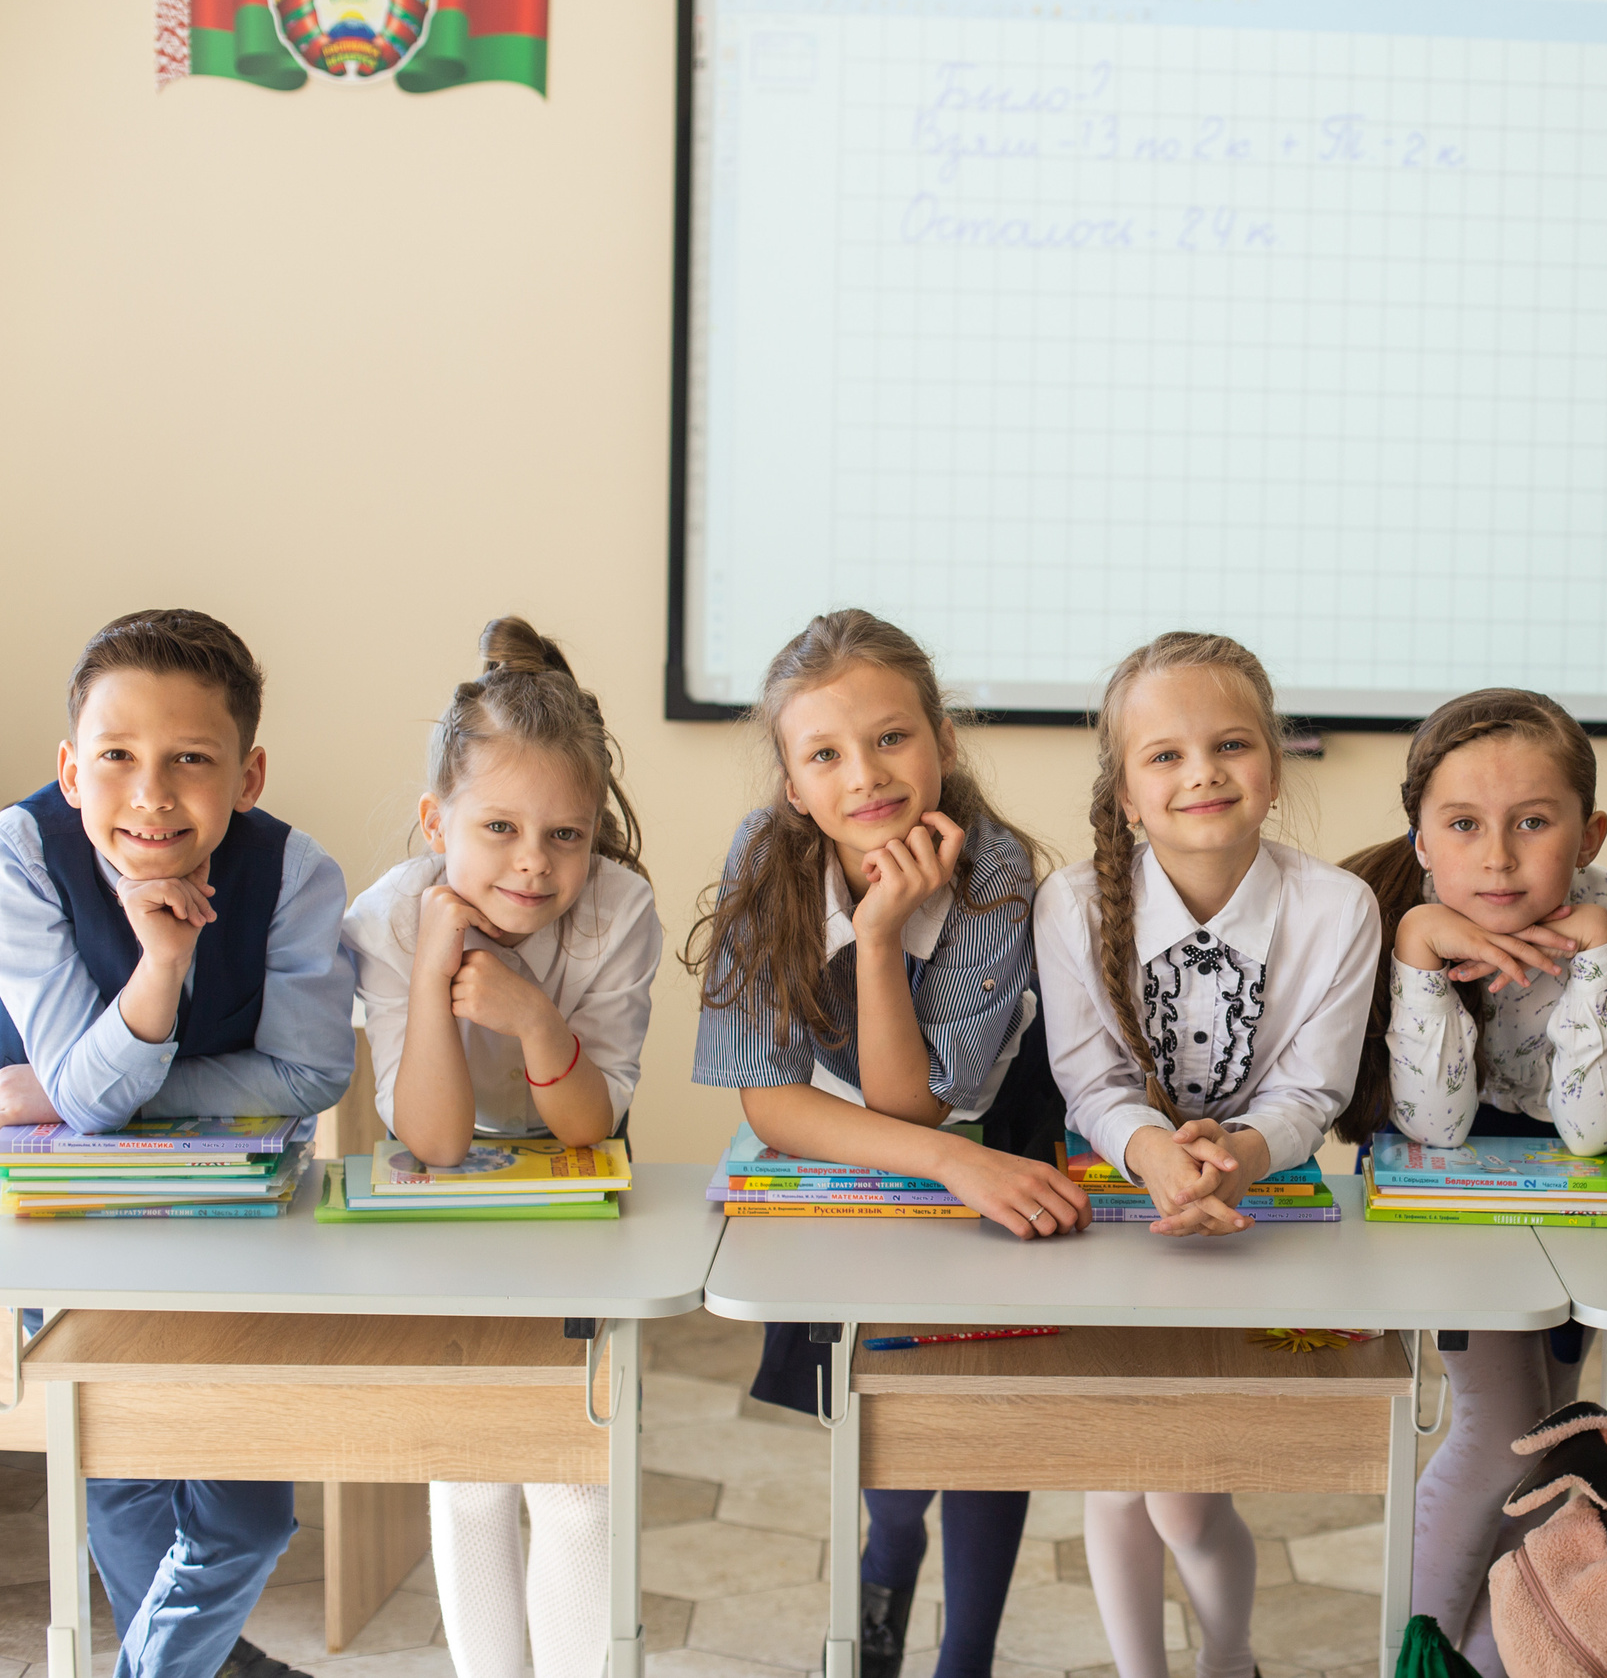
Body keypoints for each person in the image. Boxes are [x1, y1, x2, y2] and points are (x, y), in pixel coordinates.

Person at [685, 608, 1087, 1678]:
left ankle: (966, 1657)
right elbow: (771, 1103)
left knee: (988, 1414)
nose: (864, 775)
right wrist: (871, 932)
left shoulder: (997, 869)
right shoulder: (762, 859)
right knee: (893, 1419)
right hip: (843, 1144)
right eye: (824, 753)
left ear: (943, 741)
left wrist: (880, 939)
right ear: (791, 782)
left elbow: (924, 1103)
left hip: (988, 1127)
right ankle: (890, 1543)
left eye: (892, 737)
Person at [0, 609, 355, 1678]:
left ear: (246, 774)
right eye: (116, 757)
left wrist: (71, 1089)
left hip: (226, 1224)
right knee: (125, 1477)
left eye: (189, 759)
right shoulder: (21, 853)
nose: (150, 792)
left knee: (247, 1516)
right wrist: (159, 968)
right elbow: (97, 1102)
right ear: (70, 768)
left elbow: (309, 1075)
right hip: (57, 1228)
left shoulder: (295, 872)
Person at [1034, 631, 1379, 1678]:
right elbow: (1090, 1081)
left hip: (1254, 1220)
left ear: (1272, 767)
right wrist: (1155, 1155)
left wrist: (1233, 1152)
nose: (1202, 773)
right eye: (1165, 755)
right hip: (1121, 1209)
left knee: (1185, 1486)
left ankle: (1228, 1654)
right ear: (1126, 794)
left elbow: (1309, 1093)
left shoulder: (1337, 909)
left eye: (1230, 744)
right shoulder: (1071, 902)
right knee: (1112, 1468)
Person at [340, 617, 661, 1678]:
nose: (533, 862)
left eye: (566, 834)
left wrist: (531, 1020)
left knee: (575, 1468)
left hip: (577, 1201)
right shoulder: (389, 916)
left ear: (596, 834)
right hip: (451, 1207)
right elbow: (427, 1137)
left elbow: (589, 1122)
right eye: (500, 828)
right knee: (470, 1466)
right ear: (437, 821)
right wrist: (436, 959)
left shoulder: (619, 910)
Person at [1337, 687, 1607, 1674]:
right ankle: (1417, 1653)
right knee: (1499, 1427)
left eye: (1533, 822)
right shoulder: (1414, 926)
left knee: (1548, 1433)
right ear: (1422, 838)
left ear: (1589, 832)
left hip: (1577, 1211)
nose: (1498, 855)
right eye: (1463, 825)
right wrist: (1423, 956)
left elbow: (1597, 1128)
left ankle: (1491, 1650)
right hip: (1459, 1219)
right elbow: (1433, 1123)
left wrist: (1595, 950)